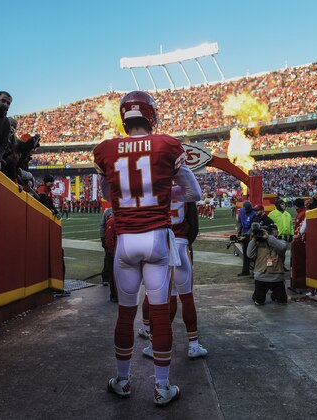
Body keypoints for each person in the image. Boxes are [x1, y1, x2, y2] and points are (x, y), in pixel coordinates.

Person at [93, 90, 201, 406]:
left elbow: (107, 193)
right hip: (158, 239)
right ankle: (162, 386)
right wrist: (164, 194)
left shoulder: (106, 150)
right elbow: (193, 192)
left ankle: (123, 380)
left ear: (124, 116)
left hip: (126, 241)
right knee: (159, 312)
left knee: (125, 316)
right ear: (150, 115)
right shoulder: (167, 145)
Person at [140, 197, 207, 360]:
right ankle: (193, 344)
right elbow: (194, 226)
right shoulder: (185, 188)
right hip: (180, 244)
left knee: (161, 301)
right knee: (187, 298)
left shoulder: (155, 187)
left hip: (159, 246)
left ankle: (153, 344)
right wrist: (184, 242)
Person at [247, 221, 288, 305]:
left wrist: (268, 237)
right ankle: (256, 295)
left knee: (283, 301)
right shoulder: (257, 243)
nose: (273, 232)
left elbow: (281, 248)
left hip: (277, 277)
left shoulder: (281, 242)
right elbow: (249, 255)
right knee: (259, 302)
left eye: (274, 230)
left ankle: (275, 295)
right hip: (261, 277)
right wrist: (254, 239)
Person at [99, 207, 117, 302]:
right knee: (108, 261)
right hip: (110, 240)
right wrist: (103, 238)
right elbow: (102, 225)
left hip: (119, 245)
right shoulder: (108, 212)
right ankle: (105, 278)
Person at [290, 198, 307, 292]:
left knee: (298, 263)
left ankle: (298, 284)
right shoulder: (301, 212)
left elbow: (301, 229)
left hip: (299, 242)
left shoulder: (303, 213)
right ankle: (295, 283)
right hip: (297, 240)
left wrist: (298, 237)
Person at [236, 201, 256, 276]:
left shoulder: (254, 213)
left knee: (252, 254)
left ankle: (254, 271)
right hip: (244, 234)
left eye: (248, 211)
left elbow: (253, 226)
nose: (246, 212)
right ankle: (245, 271)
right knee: (245, 253)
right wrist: (238, 231)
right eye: (245, 210)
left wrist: (247, 234)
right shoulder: (241, 211)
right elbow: (240, 222)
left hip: (252, 236)